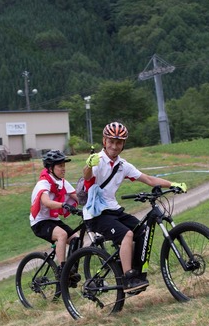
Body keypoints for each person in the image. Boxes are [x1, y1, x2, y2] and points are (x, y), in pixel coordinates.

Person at [82, 122, 186, 293]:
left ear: (123, 145)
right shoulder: (98, 161)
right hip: (96, 213)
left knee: (142, 231)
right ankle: (128, 278)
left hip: (113, 209)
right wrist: (88, 165)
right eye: (111, 142)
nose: (114, 146)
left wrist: (172, 184)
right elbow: (87, 176)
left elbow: (149, 180)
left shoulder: (123, 165)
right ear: (104, 141)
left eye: (119, 142)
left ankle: (136, 273)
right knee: (127, 234)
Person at [30, 150, 79, 278]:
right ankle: (62, 270)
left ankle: (71, 269)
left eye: (64, 165)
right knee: (62, 234)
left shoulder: (62, 182)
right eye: (60, 166)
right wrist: (63, 205)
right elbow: (46, 202)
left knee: (76, 239)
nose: (64, 169)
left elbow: (78, 197)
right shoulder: (43, 183)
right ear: (51, 168)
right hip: (40, 222)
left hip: (53, 220)